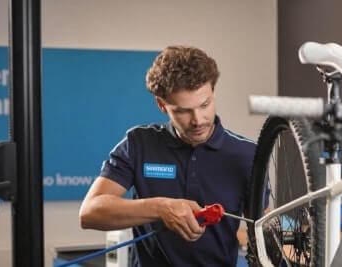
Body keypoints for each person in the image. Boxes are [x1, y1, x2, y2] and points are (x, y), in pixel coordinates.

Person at [79, 45, 256, 266]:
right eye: (183, 110)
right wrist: (162, 208)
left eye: (205, 105)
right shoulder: (139, 143)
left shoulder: (248, 154)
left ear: (213, 92)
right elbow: (90, 213)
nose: (198, 119)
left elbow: (263, 229)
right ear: (162, 105)